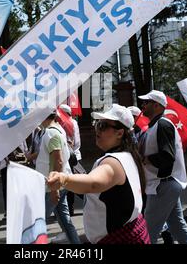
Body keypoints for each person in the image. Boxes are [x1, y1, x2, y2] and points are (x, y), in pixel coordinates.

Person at [48, 104, 150, 244]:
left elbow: (93, 183)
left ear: (119, 133)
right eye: (97, 124)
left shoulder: (112, 162)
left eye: (103, 125)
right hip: (127, 234)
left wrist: (63, 178)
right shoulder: (129, 155)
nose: (97, 129)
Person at [137, 90, 187, 244]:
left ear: (156, 105)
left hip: (163, 184)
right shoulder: (154, 126)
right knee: (177, 227)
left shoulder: (162, 125)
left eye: (146, 102)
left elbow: (167, 156)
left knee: (148, 232)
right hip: (164, 184)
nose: (143, 105)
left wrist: (146, 158)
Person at [36, 109, 80, 244]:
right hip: (57, 183)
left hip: (53, 186)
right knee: (65, 221)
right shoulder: (57, 130)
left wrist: (54, 189)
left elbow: (58, 161)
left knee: (38, 222)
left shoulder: (51, 133)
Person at [59, 104, 83, 217]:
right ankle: (70, 208)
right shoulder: (73, 123)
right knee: (72, 181)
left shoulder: (64, 123)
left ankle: (70, 207)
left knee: (70, 182)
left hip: (69, 156)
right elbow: (77, 141)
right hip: (74, 155)